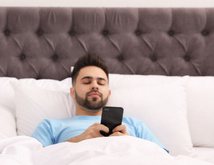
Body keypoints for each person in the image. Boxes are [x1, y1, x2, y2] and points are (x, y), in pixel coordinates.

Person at [31, 53, 167, 151]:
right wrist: (78, 140)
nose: (95, 85)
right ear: (72, 92)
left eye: (101, 82)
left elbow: (163, 159)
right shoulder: (51, 126)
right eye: (87, 82)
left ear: (108, 94)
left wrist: (131, 142)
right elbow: (31, 158)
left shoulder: (135, 125)